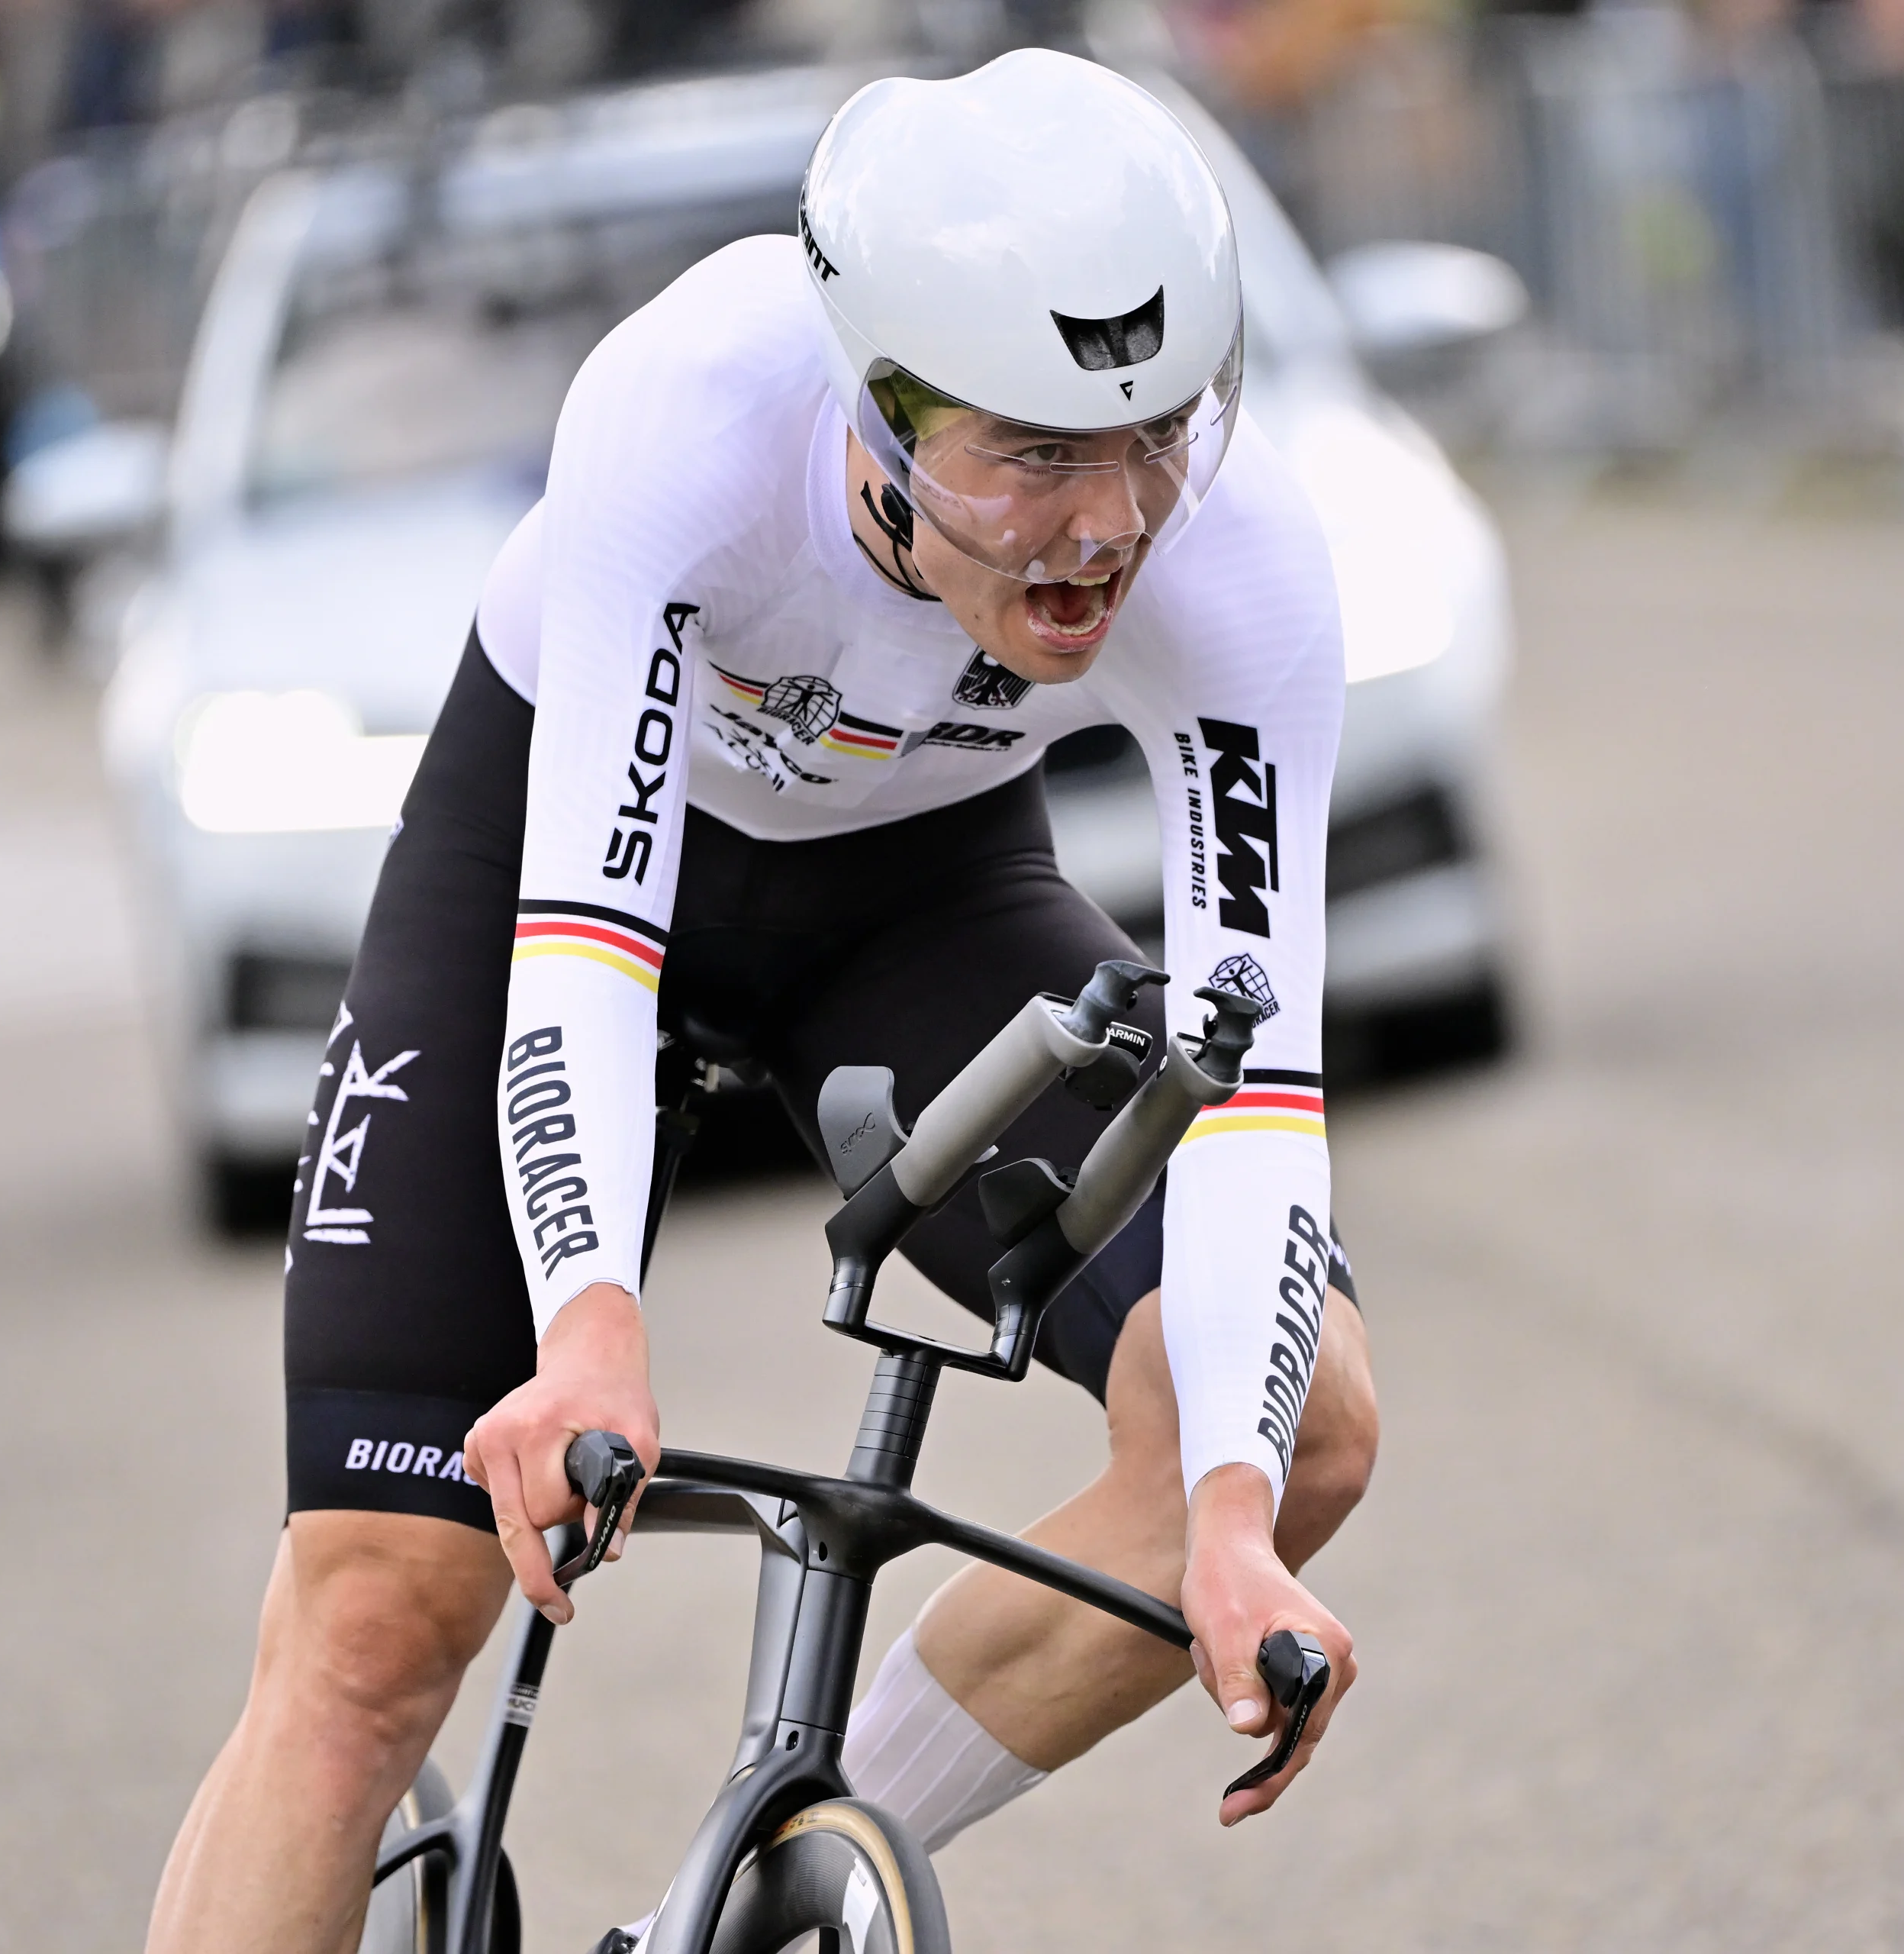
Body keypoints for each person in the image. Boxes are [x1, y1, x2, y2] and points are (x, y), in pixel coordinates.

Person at [143, 49, 1377, 1954]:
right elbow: (584, 940)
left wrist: (1226, 1507)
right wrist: (591, 1329)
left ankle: (714, 1922)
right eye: (1026, 454)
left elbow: (1258, 1083)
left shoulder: (1244, 553)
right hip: (559, 848)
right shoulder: (690, 406)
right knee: (377, 1621)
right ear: (871, 411)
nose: (1104, 524)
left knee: (1301, 1434)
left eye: (1151, 438)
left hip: (913, 889)